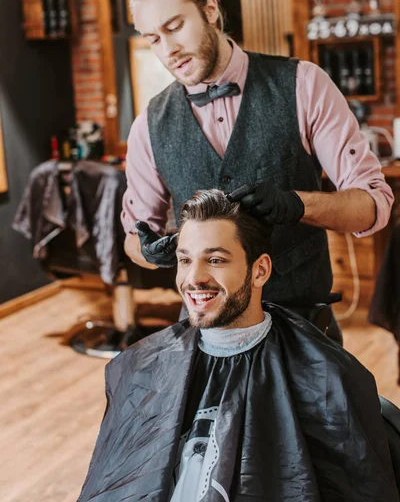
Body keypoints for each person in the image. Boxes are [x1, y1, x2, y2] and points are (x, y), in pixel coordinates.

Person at [121, 0, 393, 335]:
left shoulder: (304, 85)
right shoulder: (147, 126)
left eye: (175, 26)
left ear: (210, 8)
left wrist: (297, 204)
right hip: (206, 340)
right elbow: (134, 239)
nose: (168, 50)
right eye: (153, 38)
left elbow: (371, 206)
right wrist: (150, 250)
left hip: (303, 331)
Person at [78, 189, 398, 502]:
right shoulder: (141, 369)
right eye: (185, 260)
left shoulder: (327, 377)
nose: (194, 278)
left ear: (260, 271)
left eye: (215, 259)